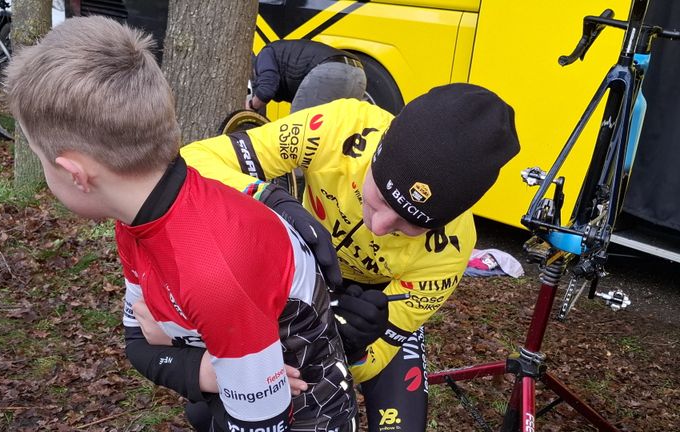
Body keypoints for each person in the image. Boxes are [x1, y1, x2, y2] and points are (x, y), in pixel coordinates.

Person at [4, 16, 358, 432]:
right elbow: (138, 342)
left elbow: (158, 346)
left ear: (74, 173)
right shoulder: (139, 211)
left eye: (40, 159)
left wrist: (187, 358)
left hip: (304, 417)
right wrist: (204, 371)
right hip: (243, 400)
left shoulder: (213, 267)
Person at [182, 83, 521, 431]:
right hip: (295, 283)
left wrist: (357, 347)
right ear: (375, 155)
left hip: (367, 303)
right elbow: (193, 160)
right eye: (380, 199)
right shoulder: (339, 128)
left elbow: (373, 363)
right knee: (208, 416)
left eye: (409, 224)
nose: (380, 225)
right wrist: (270, 199)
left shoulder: (451, 249)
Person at [248, 39, 367, 114]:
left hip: (329, 71)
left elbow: (266, 90)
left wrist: (250, 107)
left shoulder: (264, 55)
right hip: (358, 74)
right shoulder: (279, 53)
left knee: (296, 132)